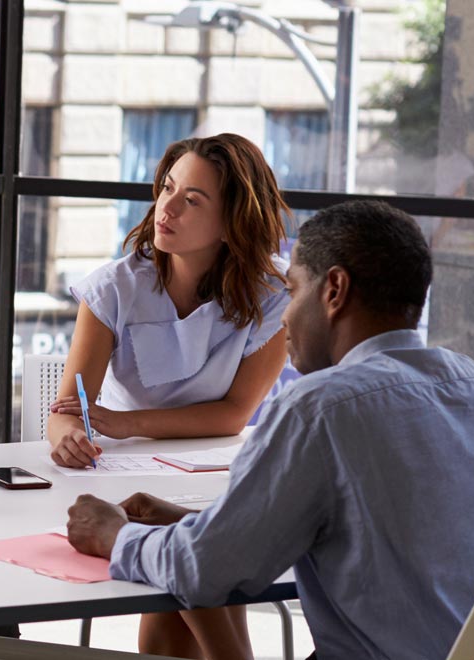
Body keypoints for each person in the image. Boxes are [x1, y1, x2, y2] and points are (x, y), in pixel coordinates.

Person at [65, 201, 474, 660]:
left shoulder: (320, 406)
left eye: (293, 291)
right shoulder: (473, 384)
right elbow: (385, 524)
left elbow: (204, 571)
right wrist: (202, 521)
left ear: (333, 291)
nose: (286, 316)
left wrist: (115, 534)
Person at [46, 134, 291, 660]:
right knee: (188, 582)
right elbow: (70, 411)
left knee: (188, 571)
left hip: (216, 469)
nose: (167, 208)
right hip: (125, 474)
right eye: (167, 189)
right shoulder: (114, 287)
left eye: (192, 200)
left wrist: (123, 422)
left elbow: (233, 416)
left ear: (232, 223)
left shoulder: (274, 299)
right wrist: (70, 435)